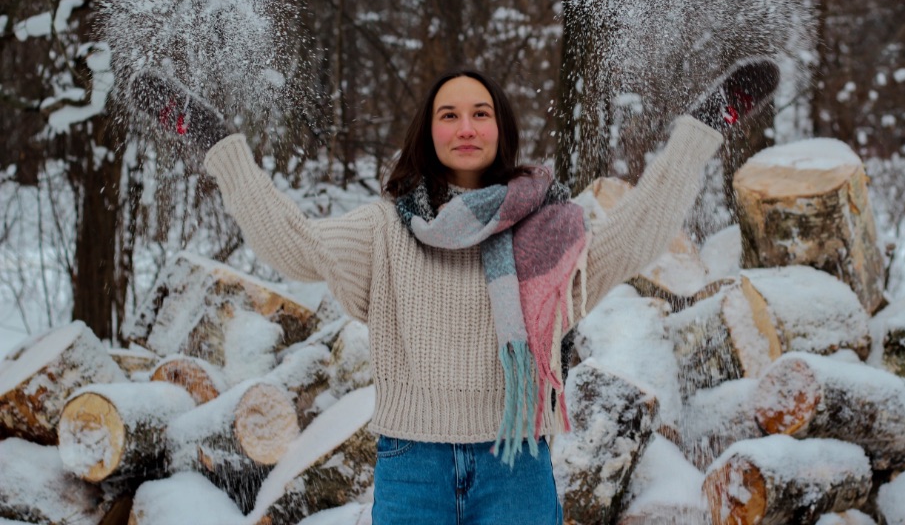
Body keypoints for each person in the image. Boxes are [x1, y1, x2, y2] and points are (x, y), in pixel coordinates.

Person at [139, 62, 775, 524]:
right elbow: (290, 243)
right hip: (413, 466)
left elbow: (637, 234)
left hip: (516, 465)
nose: (465, 126)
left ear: (501, 129)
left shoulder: (548, 232)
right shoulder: (384, 230)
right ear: (429, 131)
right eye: (449, 114)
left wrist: (699, 130)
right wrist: (219, 145)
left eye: (480, 112)